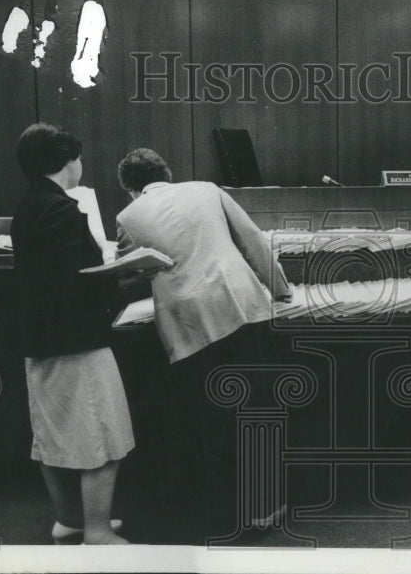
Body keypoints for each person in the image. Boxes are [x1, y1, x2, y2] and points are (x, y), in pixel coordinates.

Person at [114, 148, 293, 534]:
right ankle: (268, 509)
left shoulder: (127, 217)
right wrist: (280, 289)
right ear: (169, 171)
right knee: (256, 411)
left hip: (189, 326)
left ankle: (229, 517)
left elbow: (126, 275)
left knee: (212, 421)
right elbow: (253, 241)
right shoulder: (207, 189)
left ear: (130, 188)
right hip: (241, 305)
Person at [11, 123, 133, 545]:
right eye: (77, 158)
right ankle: (97, 531)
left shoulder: (28, 205)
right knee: (102, 433)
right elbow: (75, 281)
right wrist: (128, 275)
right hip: (77, 340)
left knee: (52, 434)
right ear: (67, 162)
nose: (81, 165)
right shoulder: (63, 208)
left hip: (39, 340)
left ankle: (69, 519)